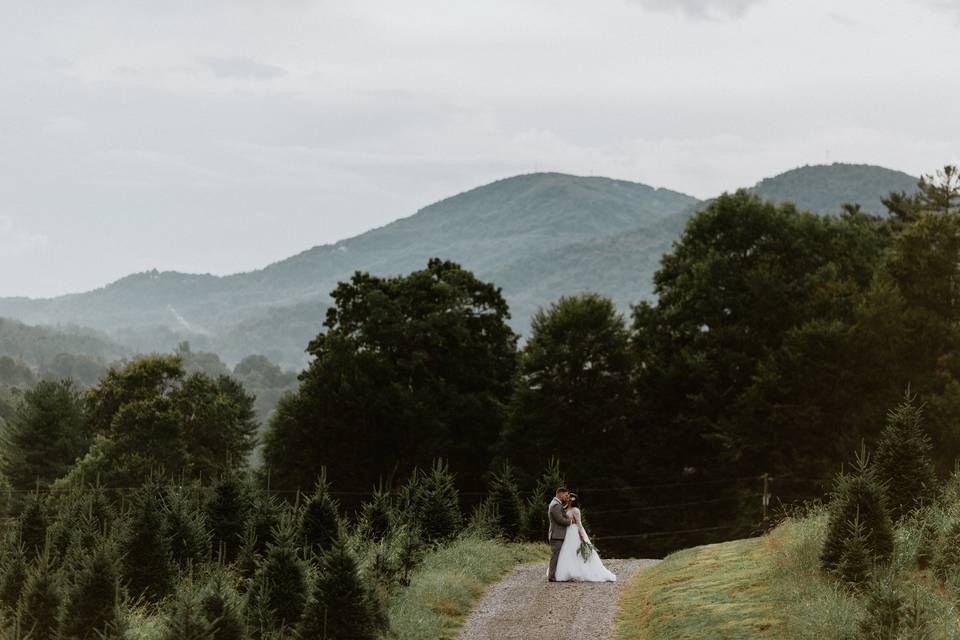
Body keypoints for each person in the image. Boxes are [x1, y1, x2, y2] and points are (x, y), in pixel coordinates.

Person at [554, 493, 616, 582]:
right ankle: (566, 571)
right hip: (567, 532)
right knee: (566, 550)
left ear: (572, 500)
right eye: (567, 497)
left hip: (574, 532)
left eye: (569, 498)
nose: (567, 499)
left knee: (575, 550)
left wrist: (581, 535)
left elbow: (579, 523)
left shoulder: (575, 510)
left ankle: (577, 572)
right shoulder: (566, 507)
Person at [547, 487, 571, 582]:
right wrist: (571, 521)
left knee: (557, 556)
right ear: (560, 494)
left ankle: (555, 575)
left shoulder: (557, 504)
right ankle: (551, 577)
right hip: (556, 535)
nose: (566, 497)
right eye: (565, 495)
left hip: (557, 534)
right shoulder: (555, 505)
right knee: (555, 556)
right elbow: (560, 520)